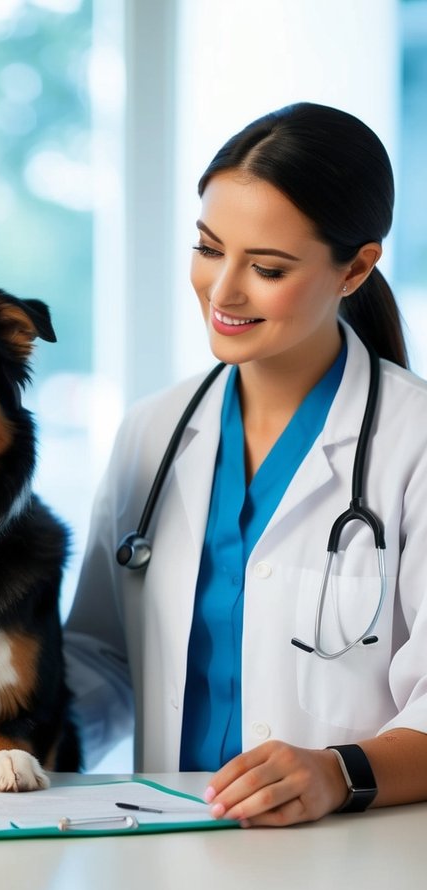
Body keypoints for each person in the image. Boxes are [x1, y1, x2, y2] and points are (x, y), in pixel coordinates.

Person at [64, 101, 427, 828]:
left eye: (265, 267)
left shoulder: (412, 442)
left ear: (355, 268)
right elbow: (104, 658)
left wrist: (336, 772)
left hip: (352, 861)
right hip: (166, 850)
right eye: (207, 248)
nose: (223, 291)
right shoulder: (153, 431)